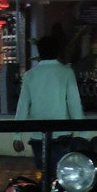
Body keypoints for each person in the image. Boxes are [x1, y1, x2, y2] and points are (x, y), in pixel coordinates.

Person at [13, 35, 84, 170]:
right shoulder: (66, 73)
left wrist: (17, 135)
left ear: (39, 52)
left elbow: (22, 106)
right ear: (57, 51)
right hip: (61, 134)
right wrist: (82, 133)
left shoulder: (30, 75)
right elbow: (74, 104)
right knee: (61, 176)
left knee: (43, 175)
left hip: (38, 134)